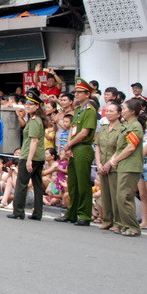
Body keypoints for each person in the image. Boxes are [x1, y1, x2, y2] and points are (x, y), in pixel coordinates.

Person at [100, 99, 145, 236]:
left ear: (132, 111)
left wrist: (115, 160)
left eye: (124, 108)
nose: (123, 110)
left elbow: (131, 147)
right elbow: (120, 148)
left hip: (130, 165)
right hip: (123, 165)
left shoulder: (135, 126)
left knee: (124, 196)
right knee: (120, 196)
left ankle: (132, 227)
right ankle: (126, 225)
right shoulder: (127, 126)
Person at [55, 79, 97, 226]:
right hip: (73, 148)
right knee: (72, 183)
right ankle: (71, 213)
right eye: (76, 92)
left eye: (80, 92)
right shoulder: (78, 110)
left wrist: (69, 145)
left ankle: (84, 215)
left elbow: (84, 133)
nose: (77, 94)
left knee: (83, 184)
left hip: (83, 147)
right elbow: (73, 131)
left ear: (87, 94)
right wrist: (69, 147)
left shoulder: (89, 110)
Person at [7, 88, 47, 220]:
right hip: (38, 156)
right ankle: (37, 213)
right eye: (27, 104)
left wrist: (29, 159)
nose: (28, 106)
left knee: (22, 183)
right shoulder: (34, 119)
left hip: (30, 155)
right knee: (37, 184)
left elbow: (34, 141)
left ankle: (18, 211)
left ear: (37, 106)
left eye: (31, 104)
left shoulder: (35, 120)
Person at [94, 102, 122, 231]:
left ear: (119, 113)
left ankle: (118, 221)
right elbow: (98, 146)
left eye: (112, 111)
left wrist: (109, 163)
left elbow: (119, 149)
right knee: (105, 194)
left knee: (115, 193)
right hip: (102, 164)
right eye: (107, 111)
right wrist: (99, 163)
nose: (109, 113)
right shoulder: (104, 128)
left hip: (114, 165)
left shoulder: (122, 129)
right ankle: (107, 219)